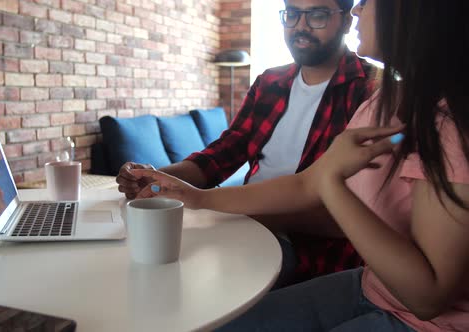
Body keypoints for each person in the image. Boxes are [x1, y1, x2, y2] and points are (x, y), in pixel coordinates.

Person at [130, 0, 469, 330]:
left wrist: (329, 184)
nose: (357, 8)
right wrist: (192, 195)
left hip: (415, 312)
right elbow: (306, 181)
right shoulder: (384, 102)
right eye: (291, 14)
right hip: (374, 286)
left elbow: (427, 300)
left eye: (318, 15)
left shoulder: (421, 111)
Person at [118, 0, 377, 287]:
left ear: (346, 21)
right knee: (140, 262)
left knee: (186, 283)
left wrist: (241, 210)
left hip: (311, 251)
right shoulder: (270, 82)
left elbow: (357, 210)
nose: (300, 27)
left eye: (317, 15)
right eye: (292, 14)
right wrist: (156, 176)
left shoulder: (371, 91)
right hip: (245, 222)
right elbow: (223, 153)